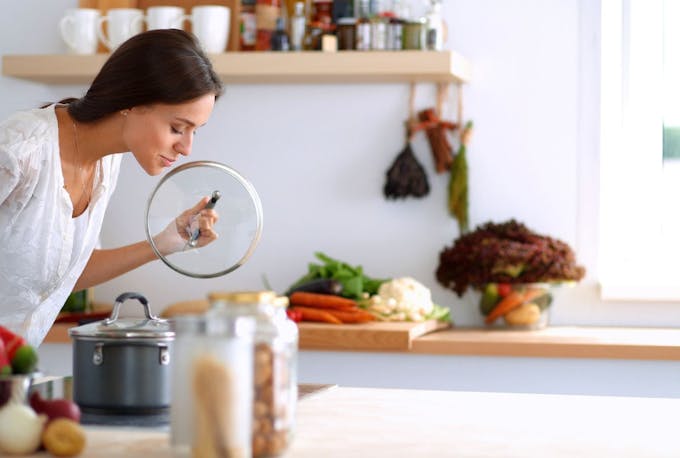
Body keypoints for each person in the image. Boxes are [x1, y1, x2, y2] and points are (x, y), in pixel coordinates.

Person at [0, 29, 224, 347]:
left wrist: (164, 243)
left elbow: (64, 272)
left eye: (194, 132)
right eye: (177, 128)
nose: (186, 148)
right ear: (131, 102)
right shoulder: (20, 149)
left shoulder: (107, 164)